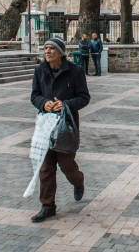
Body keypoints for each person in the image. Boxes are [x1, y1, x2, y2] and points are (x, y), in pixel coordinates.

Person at [30, 38, 90, 223]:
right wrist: (44, 103)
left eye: (52, 48)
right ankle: (47, 207)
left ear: (60, 52)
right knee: (46, 168)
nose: (47, 51)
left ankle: (78, 181)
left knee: (67, 165)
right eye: (46, 48)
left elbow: (84, 97)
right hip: (45, 126)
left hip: (66, 127)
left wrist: (65, 105)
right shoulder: (40, 70)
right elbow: (34, 96)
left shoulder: (75, 71)